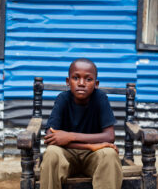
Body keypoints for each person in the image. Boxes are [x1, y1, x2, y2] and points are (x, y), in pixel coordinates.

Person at [40, 58, 123, 189]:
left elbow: (109, 136)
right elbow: (50, 137)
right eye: (76, 78)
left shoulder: (100, 98)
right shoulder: (63, 99)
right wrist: (90, 146)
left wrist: (70, 136)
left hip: (93, 156)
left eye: (88, 79)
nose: (82, 83)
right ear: (68, 82)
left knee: (110, 155)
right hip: (66, 153)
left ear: (96, 84)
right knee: (51, 153)